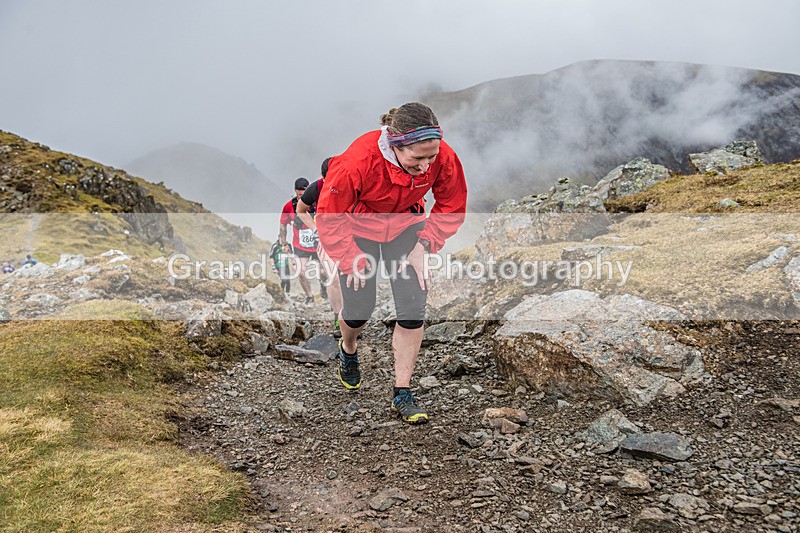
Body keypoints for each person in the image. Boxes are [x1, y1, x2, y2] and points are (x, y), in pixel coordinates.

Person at [316, 102, 467, 424]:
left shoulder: (443, 156)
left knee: (413, 308)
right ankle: (348, 347)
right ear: (397, 146)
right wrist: (348, 256)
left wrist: (424, 244)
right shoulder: (356, 162)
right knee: (359, 311)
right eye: (418, 158)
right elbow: (329, 217)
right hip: (359, 234)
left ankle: (402, 391)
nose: (427, 166)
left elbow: (452, 203)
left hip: (406, 231)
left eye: (432, 157)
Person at [296, 157, 344, 334]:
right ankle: (339, 318)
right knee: (334, 277)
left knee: (349, 276)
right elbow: (301, 210)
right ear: (324, 177)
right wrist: (316, 228)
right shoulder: (316, 188)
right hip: (324, 239)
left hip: (348, 237)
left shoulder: (349, 183)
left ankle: (351, 316)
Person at [279, 177, 329, 304]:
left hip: (318, 244)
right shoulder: (289, 207)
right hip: (300, 246)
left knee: (323, 272)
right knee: (300, 272)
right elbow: (283, 225)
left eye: (305, 194)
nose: (302, 197)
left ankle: (323, 285)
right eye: (299, 194)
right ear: (295, 191)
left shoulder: (317, 204)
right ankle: (310, 296)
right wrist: (283, 243)